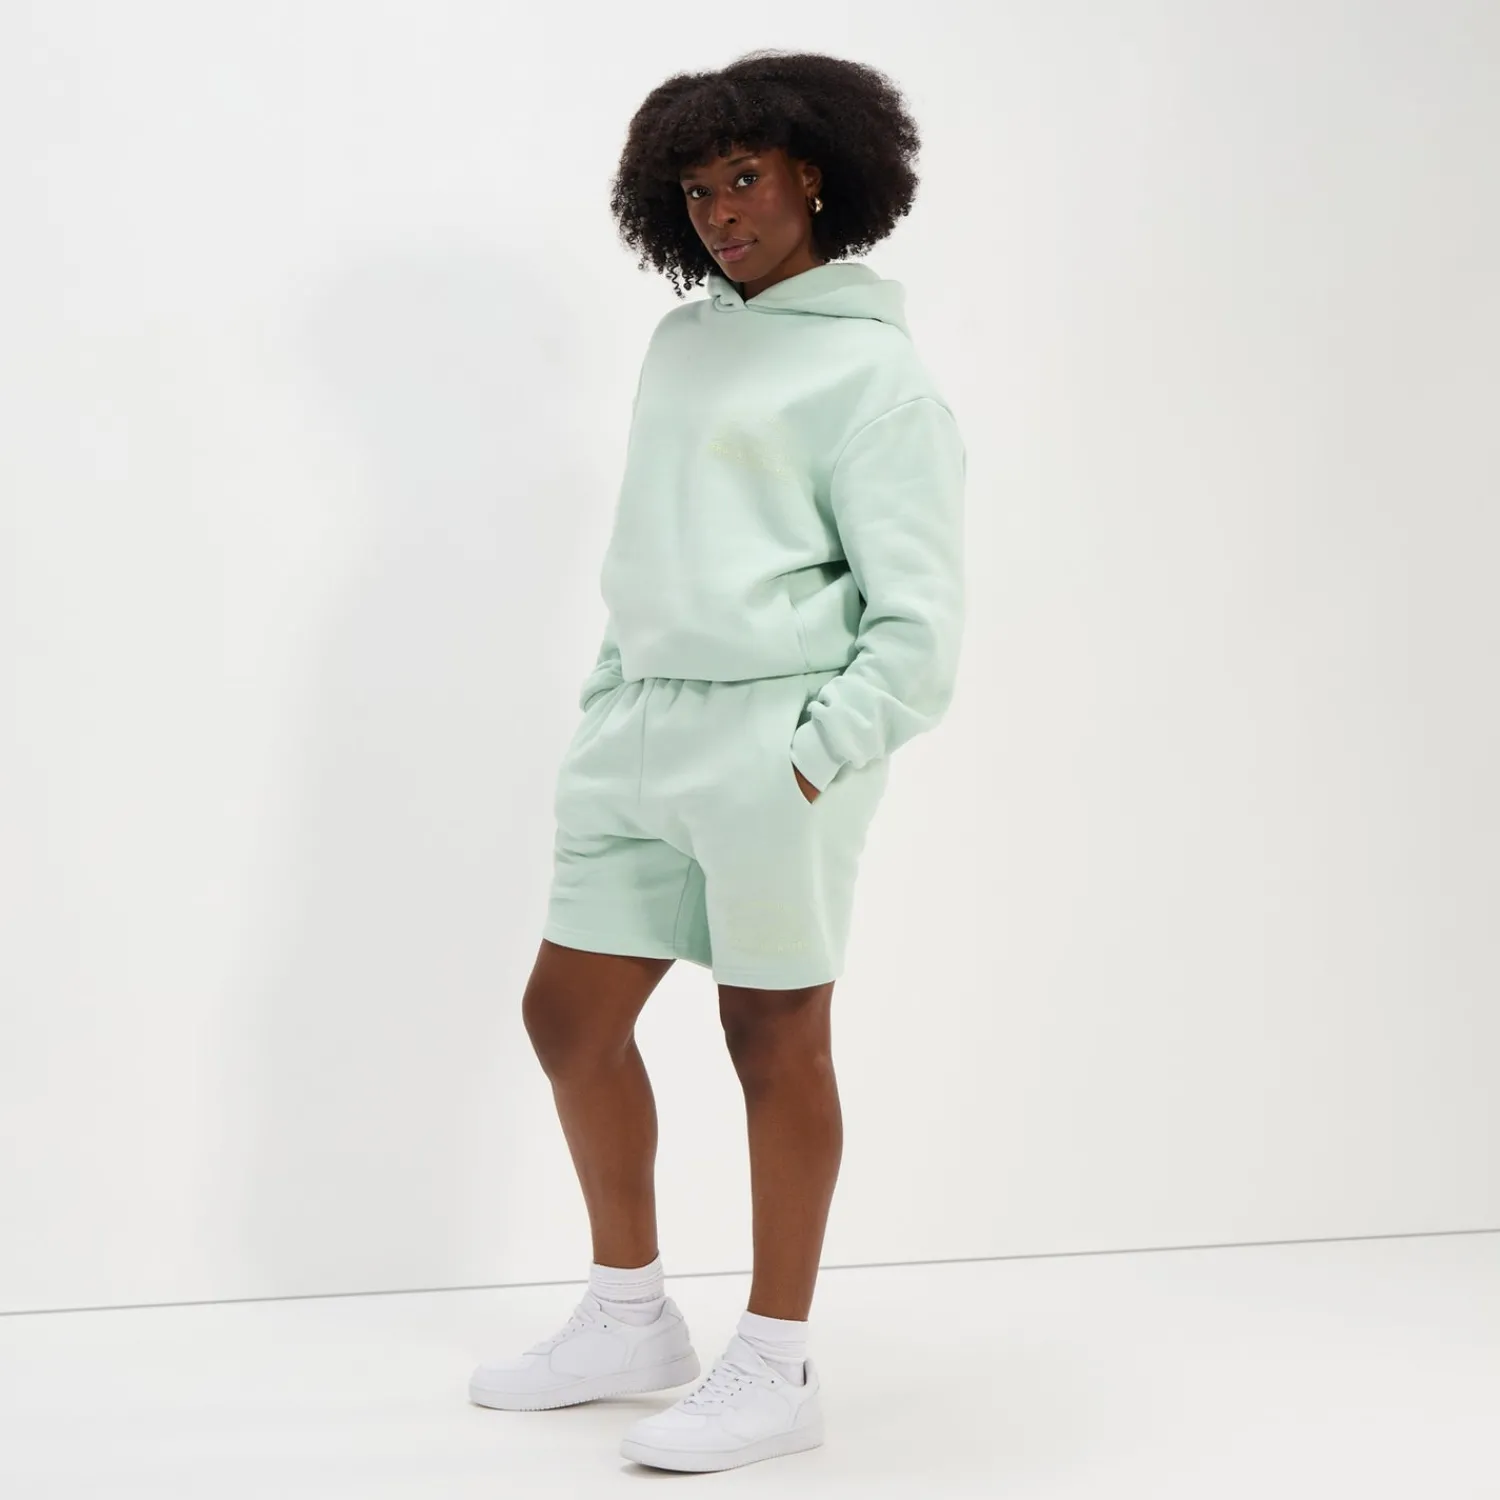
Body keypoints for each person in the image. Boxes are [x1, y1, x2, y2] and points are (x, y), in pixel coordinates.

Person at [468, 49, 966, 1473]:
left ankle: (777, 1361)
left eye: (744, 177)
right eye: (694, 191)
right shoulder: (682, 344)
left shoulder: (877, 377)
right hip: (639, 726)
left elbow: (921, 628)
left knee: (772, 1038)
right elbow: (657, 534)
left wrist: (813, 756)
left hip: (776, 737)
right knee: (567, 1017)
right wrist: (609, 693)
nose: (721, 212)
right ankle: (630, 1318)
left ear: (817, 172)